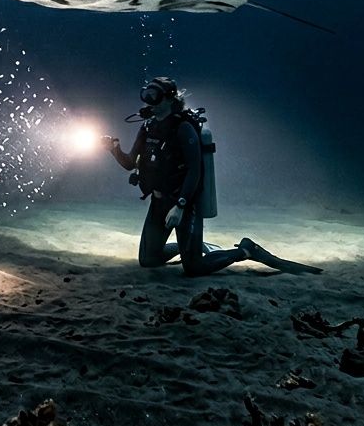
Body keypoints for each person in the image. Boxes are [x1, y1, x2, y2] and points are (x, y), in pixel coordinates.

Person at [104, 77, 318, 277]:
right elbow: (130, 163)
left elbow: (195, 170)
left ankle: (245, 250)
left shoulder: (184, 128)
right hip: (158, 202)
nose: (149, 101)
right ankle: (189, 246)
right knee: (148, 260)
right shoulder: (148, 126)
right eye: (146, 95)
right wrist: (114, 149)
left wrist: (180, 205)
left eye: (154, 96)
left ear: (169, 99)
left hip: (184, 204)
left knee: (194, 268)